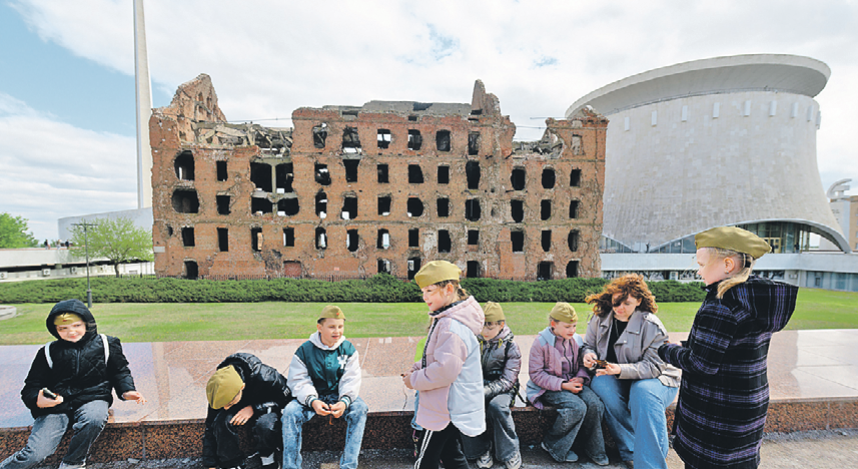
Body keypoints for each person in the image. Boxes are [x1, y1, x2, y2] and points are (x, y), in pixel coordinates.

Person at [658, 226, 797, 469]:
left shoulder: (722, 304)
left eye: (702, 264)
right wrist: (689, 346)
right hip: (748, 402)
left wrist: (666, 350)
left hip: (717, 409)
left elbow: (701, 364)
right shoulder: (752, 298)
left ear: (728, 265)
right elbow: (730, 349)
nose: (698, 270)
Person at [0, 299, 146, 469]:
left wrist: (127, 391)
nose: (71, 332)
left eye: (76, 325)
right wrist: (37, 400)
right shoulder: (47, 352)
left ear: (87, 323)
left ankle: (73, 463)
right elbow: (31, 386)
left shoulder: (107, 344)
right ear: (55, 330)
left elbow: (120, 371)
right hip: (57, 406)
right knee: (37, 453)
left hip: (93, 397)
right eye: (63, 328)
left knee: (94, 418)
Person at [582, 274, 681, 469]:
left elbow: (653, 367)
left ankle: (651, 464)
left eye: (626, 303)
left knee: (643, 391)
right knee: (600, 384)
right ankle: (630, 451)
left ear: (639, 300)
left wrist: (620, 369)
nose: (619, 308)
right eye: (616, 302)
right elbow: (588, 345)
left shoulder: (652, 325)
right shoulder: (599, 318)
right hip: (617, 376)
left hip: (658, 378)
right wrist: (588, 355)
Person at [402, 260, 485, 469]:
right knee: (451, 455)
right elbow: (441, 358)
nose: (424, 296)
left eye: (430, 290)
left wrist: (413, 380)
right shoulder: (450, 320)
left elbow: (444, 371)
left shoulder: (450, 325)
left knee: (425, 460)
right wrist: (417, 367)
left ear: (448, 289)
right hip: (452, 403)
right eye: (423, 291)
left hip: (445, 405)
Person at [282, 305, 367, 469]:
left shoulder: (348, 349)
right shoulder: (304, 350)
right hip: (312, 397)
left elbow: (352, 379)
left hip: (339, 397)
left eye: (340, 326)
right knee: (290, 412)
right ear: (319, 327)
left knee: (360, 409)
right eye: (332, 327)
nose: (337, 331)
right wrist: (312, 401)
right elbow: (298, 380)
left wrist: (344, 402)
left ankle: (348, 465)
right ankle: (291, 466)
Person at [526, 302, 608, 466]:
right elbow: (536, 374)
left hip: (573, 382)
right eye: (568, 326)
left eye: (575, 326)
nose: (572, 330)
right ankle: (552, 444)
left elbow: (582, 366)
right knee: (576, 407)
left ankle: (593, 448)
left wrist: (581, 378)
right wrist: (563, 385)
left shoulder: (576, 340)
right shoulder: (541, 343)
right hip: (549, 386)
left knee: (595, 404)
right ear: (553, 324)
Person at [203, 353, 291, 469]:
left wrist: (254, 408)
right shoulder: (219, 387)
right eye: (223, 405)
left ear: (242, 387)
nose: (226, 408)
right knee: (221, 421)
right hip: (240, 403)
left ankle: (267, 456)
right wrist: (210, 464)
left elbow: (287, 397)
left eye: (229, 403)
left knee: (265, 425)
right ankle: (232, 463)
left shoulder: (266, 376)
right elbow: (210, 426)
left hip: (265, 403)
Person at [462, 302, 522, 469]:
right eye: (482, 327)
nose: (484, 332)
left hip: (504, 388)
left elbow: (508, 380)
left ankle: (509, 452)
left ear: (501, 325)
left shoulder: (510, 345)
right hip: (478, 385)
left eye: (489, 327)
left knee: (498, 407)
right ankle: (480, 450)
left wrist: (484, 391)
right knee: (466, 404)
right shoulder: (473, 341)